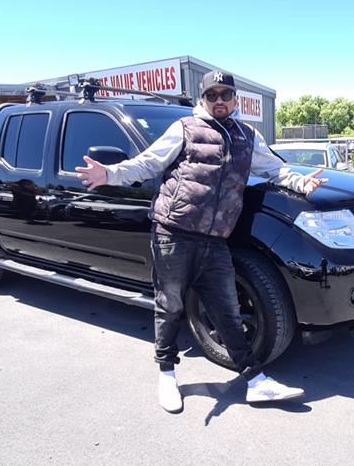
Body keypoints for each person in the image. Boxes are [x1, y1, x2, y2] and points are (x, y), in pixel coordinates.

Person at [76, 70, 327, 413]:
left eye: (225, 94)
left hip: (215, 240)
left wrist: (301, 183)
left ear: (235, 99)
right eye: (212, 95)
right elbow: (148, 164)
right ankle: (167, 373)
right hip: (173, 232)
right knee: (170, 306)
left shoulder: (247, 136)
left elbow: (275, 170)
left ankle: (255, 381)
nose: (219, 100)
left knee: (227, 310)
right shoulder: (185, 128)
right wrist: (109, 173)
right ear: (203, 98)